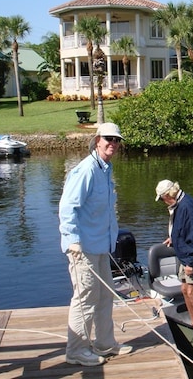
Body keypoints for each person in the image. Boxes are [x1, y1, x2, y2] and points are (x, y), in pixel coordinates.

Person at [58, 122, 133, 366]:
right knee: (85, 298)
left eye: (117, 140)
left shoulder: (106, 169)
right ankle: (76, 350)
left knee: (105, 296)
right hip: (83, 248)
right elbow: (68, 207)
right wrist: (72, 241)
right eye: (108, 138)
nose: (113, 143)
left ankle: (105, 343)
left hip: (102, 246)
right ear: (97, 140)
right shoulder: (86, 170)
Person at [155, 179, 193, 327]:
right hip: (187, 256)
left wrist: (191, 262)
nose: (163, 203)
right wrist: (174, 238)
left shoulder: (187, 206)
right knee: (185, 289)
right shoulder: (180, 203)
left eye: (162, 199)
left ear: (167, 196)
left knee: (192, 291)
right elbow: (184, 228)